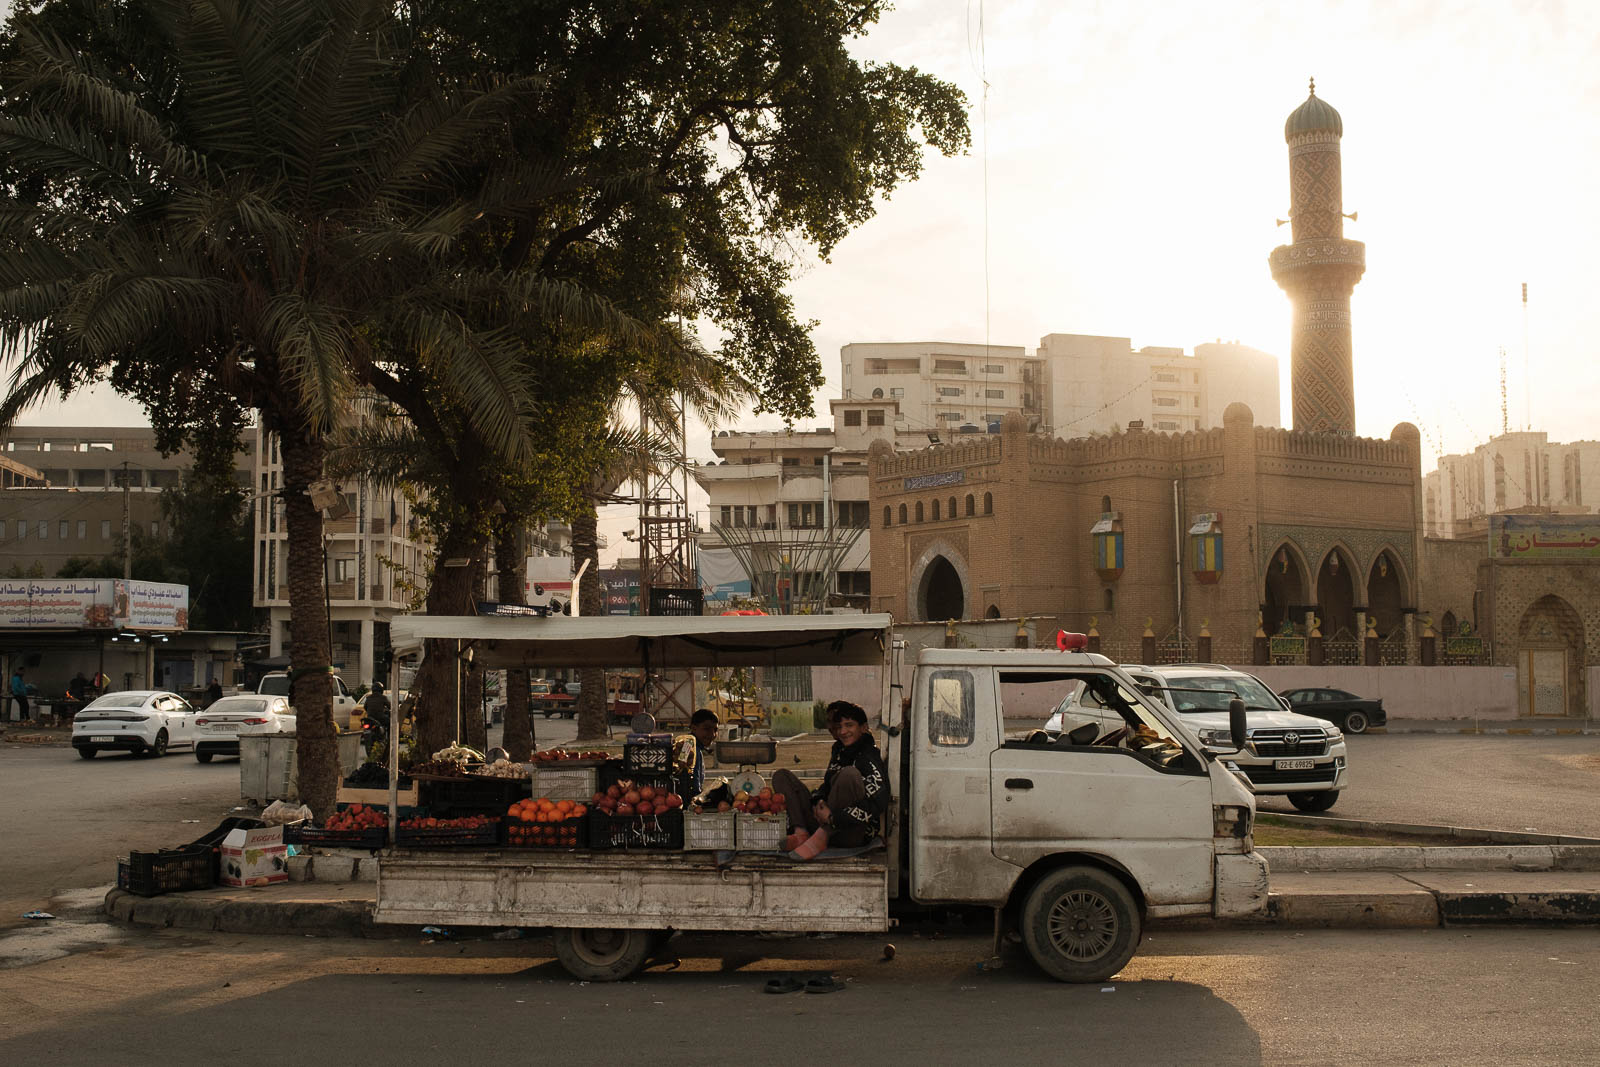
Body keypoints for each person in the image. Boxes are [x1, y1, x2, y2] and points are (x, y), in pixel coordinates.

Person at [772, 701, 889, 860]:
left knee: (849, 774)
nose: (843, 731)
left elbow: (878, 803)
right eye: (839, 727)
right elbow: (827, 785)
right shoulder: (840, 751)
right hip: (824, 819)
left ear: (863, 727)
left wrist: (833, 818)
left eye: (849, 725)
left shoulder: (869, 757)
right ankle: (801, 833)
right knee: (782, 776)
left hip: (849, 831)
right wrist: (818, 801)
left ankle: (822, 836)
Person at [682, 708, 719, 795]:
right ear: (694, 728)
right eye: (707, 729)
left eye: (715, 730)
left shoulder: (689, 744)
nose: (713, 734)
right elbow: (691, 783)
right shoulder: (690, 748)